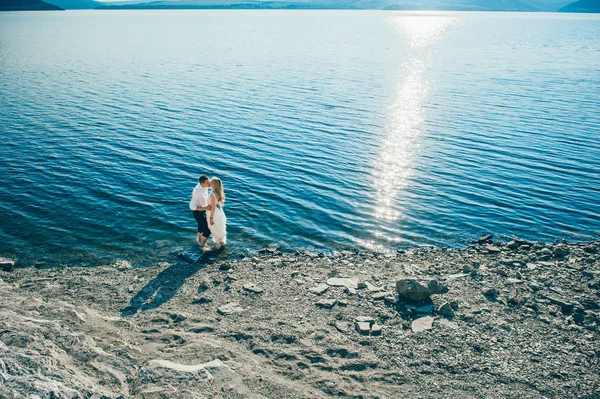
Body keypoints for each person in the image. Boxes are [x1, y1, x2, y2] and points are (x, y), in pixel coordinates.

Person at [189, 175, 211, 248]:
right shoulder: (197, 192)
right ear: (203, 183)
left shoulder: (205, 187)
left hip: (204, 210)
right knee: (208, 229)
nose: (209, 184)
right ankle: (203, 245)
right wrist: (206, 207)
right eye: (208, 183)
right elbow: (192, 207)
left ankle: (200, 241)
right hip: (197, 212)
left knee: (201, 227)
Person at [207, 177, 227, 248]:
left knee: (216, 230)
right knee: (219, 229)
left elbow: (213, 208)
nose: (209, 182)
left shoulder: (212, 194)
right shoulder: (218, 193)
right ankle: (221, 246)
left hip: (214, 214)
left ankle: (221, 247)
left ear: (214, 184)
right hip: (219, 212)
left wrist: (211, 218)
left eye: (211, 182)